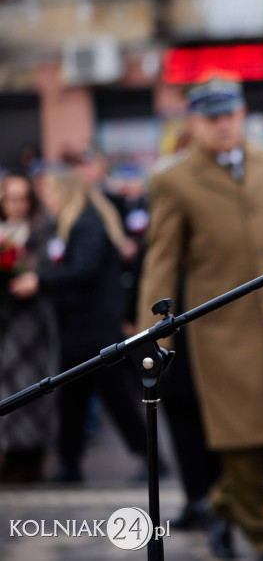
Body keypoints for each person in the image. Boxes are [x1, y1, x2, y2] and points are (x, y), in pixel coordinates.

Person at [136, 78, 263, 561]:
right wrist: (153, 335)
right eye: (212, 118)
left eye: (230, 114)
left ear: (243, 114)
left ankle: (220, 505)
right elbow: (162, 260)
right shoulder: (174, 179)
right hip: (222, 335)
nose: (223, 125)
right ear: (194, 123)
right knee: (243, 441)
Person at [9, 168, 150, 484]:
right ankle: (70, 463)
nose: (47, 200)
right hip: (83, 326)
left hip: (94, 327)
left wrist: (40, 280)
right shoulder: (73, 223)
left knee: (111, 397)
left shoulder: (85, 224)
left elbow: (84, 269)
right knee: (73, 397)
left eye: (50, 193)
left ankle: (148, 457)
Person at [0, 171, 58, 482]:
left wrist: (30, 272)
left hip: (31, 324)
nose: (16, 205)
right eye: (11, 199)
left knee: (29, 388)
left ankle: (30, 456)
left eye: (22, 199)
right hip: (5, 320)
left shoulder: (41, 230)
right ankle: (11, 453)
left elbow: (48, 267)